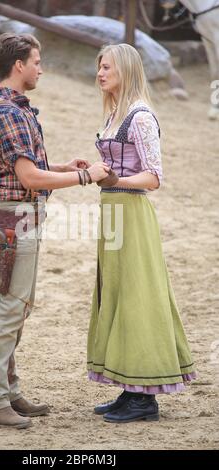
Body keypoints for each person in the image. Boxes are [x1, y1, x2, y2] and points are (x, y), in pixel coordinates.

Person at [0, 33, 109, 430]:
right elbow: (29, 178)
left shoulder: (9, 109)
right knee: (10, 309)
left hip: (15, 215)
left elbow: (26, 169)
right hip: (17, 217)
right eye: (36, 61)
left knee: (16, 307)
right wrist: (86, 176)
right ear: (18, 65)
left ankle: (7, 390)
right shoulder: (9, 114)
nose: (40, 68)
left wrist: (66, 167)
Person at [87, 44, 196, 423]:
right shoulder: (116, 112)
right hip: (112, 211)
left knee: (137, 297)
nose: (100, 73)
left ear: (126, 70)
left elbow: (154, 177)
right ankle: (129, 387)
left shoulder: (141, 117)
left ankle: (145, 399)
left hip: (131, 212)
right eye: (99, 67)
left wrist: (116, 177)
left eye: (107, 67)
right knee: (117, 295)